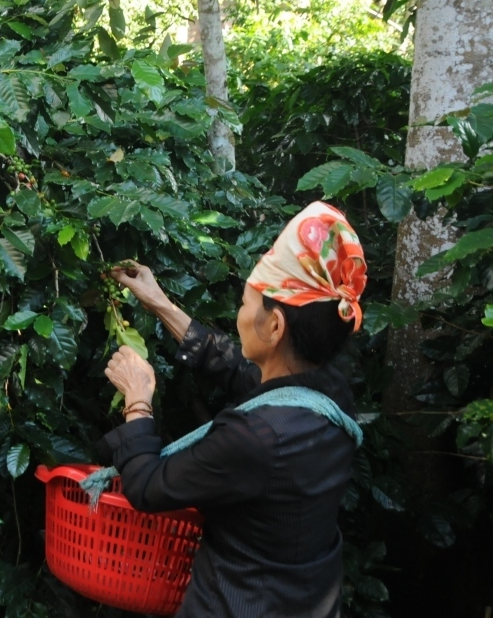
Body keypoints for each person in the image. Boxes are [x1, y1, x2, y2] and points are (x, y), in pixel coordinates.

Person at [98, 201, 367, 618]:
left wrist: (138, 398)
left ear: (275, 326)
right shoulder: (327, 395)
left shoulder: (255, 437)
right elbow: (241, 372)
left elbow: (148, 486)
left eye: (245, 303)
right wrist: (160, 304)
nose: (240, 315)